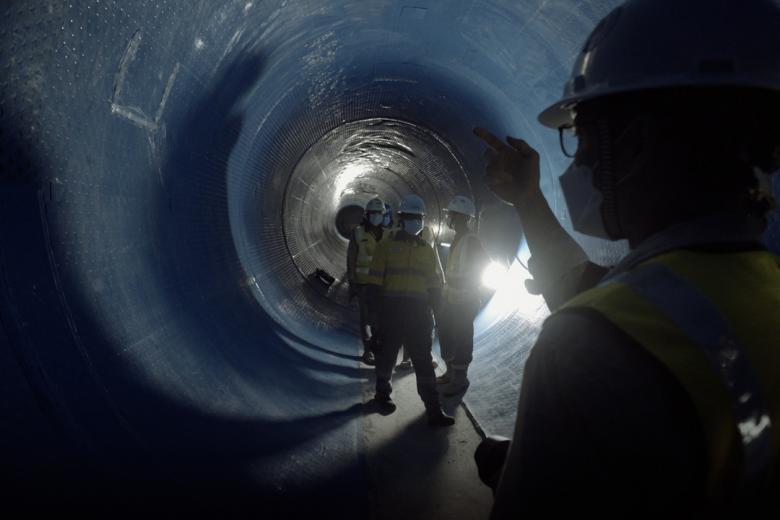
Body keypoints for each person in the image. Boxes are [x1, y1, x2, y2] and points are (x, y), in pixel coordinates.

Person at [474, 0, 780, 515]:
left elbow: (603, 316)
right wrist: (528, 199)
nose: (584, 163)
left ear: (635, 143)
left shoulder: (583, 345)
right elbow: (602, 292)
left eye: (584, 139)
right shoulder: (758, 288)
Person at [367, 194, 455, 427]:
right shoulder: (385, 246)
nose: (416, 221)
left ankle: (434, 410)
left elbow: (434, 283)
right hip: (392, 311)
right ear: (401, 218)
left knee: (423, 362)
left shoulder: (426, 249)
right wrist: (374, 316)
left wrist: (438, 311)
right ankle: (382, 396)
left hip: (418, 314)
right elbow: (374, 282)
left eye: (418, 217)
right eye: (411, 217)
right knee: (386, 357)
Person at [436, 195, 488, 396]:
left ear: (460, 216)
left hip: (465, 299)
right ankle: (450, 372)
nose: (448, 217)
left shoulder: (471, 240)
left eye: (451, 214)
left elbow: (485, 264)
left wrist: (470, 285)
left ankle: (460, 379)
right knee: (447, 334)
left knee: (462, 338)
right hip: (451, 297)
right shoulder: (457, 237)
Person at [346, 197, 386, 365]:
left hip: (383, 284)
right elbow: (351, 258)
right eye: (373, 213)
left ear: (383, 215)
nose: (376, 216)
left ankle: (378, 347)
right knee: (365, 318)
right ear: (367, 215)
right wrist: (352, 281)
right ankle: (368, 350)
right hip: (363, 283)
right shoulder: (358, 232)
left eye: (379, 213)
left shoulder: (388, 234)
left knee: (379, 318)